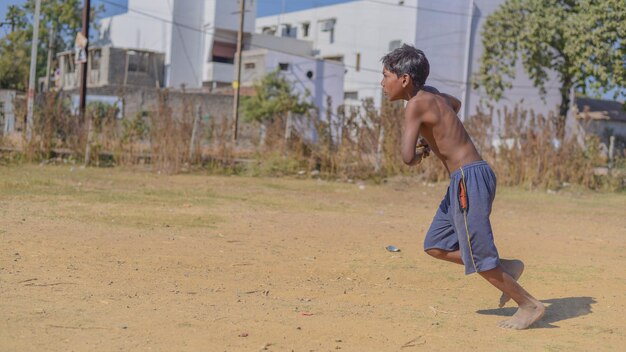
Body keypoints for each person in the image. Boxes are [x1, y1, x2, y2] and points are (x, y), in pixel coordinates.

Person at [380, 44, 545, 330]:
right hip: (468, 178)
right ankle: (508, 268)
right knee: (435, 244)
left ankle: (529, 305)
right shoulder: (431, 93)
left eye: (385, 76)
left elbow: (407, 158)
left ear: (404, 79)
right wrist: (434, 135)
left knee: (478, 255)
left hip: (468, 180)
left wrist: (421, 149)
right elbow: (454, 104)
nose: (382, 84)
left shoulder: (414, 105)